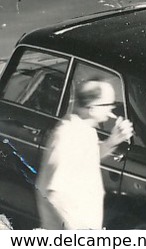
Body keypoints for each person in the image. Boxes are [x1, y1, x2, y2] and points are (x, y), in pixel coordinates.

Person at [35, 79, 132, 230]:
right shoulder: (68, 135)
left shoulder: (86, 130)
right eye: (108, 104)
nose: (112, 108)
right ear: (92, 109)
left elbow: (88, 158)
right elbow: (55, 192)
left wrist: (113, 140)